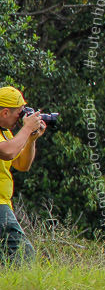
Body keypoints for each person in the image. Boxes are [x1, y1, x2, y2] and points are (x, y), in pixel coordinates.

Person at [0, 86, 47, 263]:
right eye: (18, 114)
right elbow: (8, 152)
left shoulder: (5, 132)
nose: (20, 119)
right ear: (5, 112)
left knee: (6, 260)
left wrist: (31, 139)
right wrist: (26, 129)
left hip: (4, 202)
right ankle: (27, 289)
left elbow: (21, 164)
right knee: (23, 254)